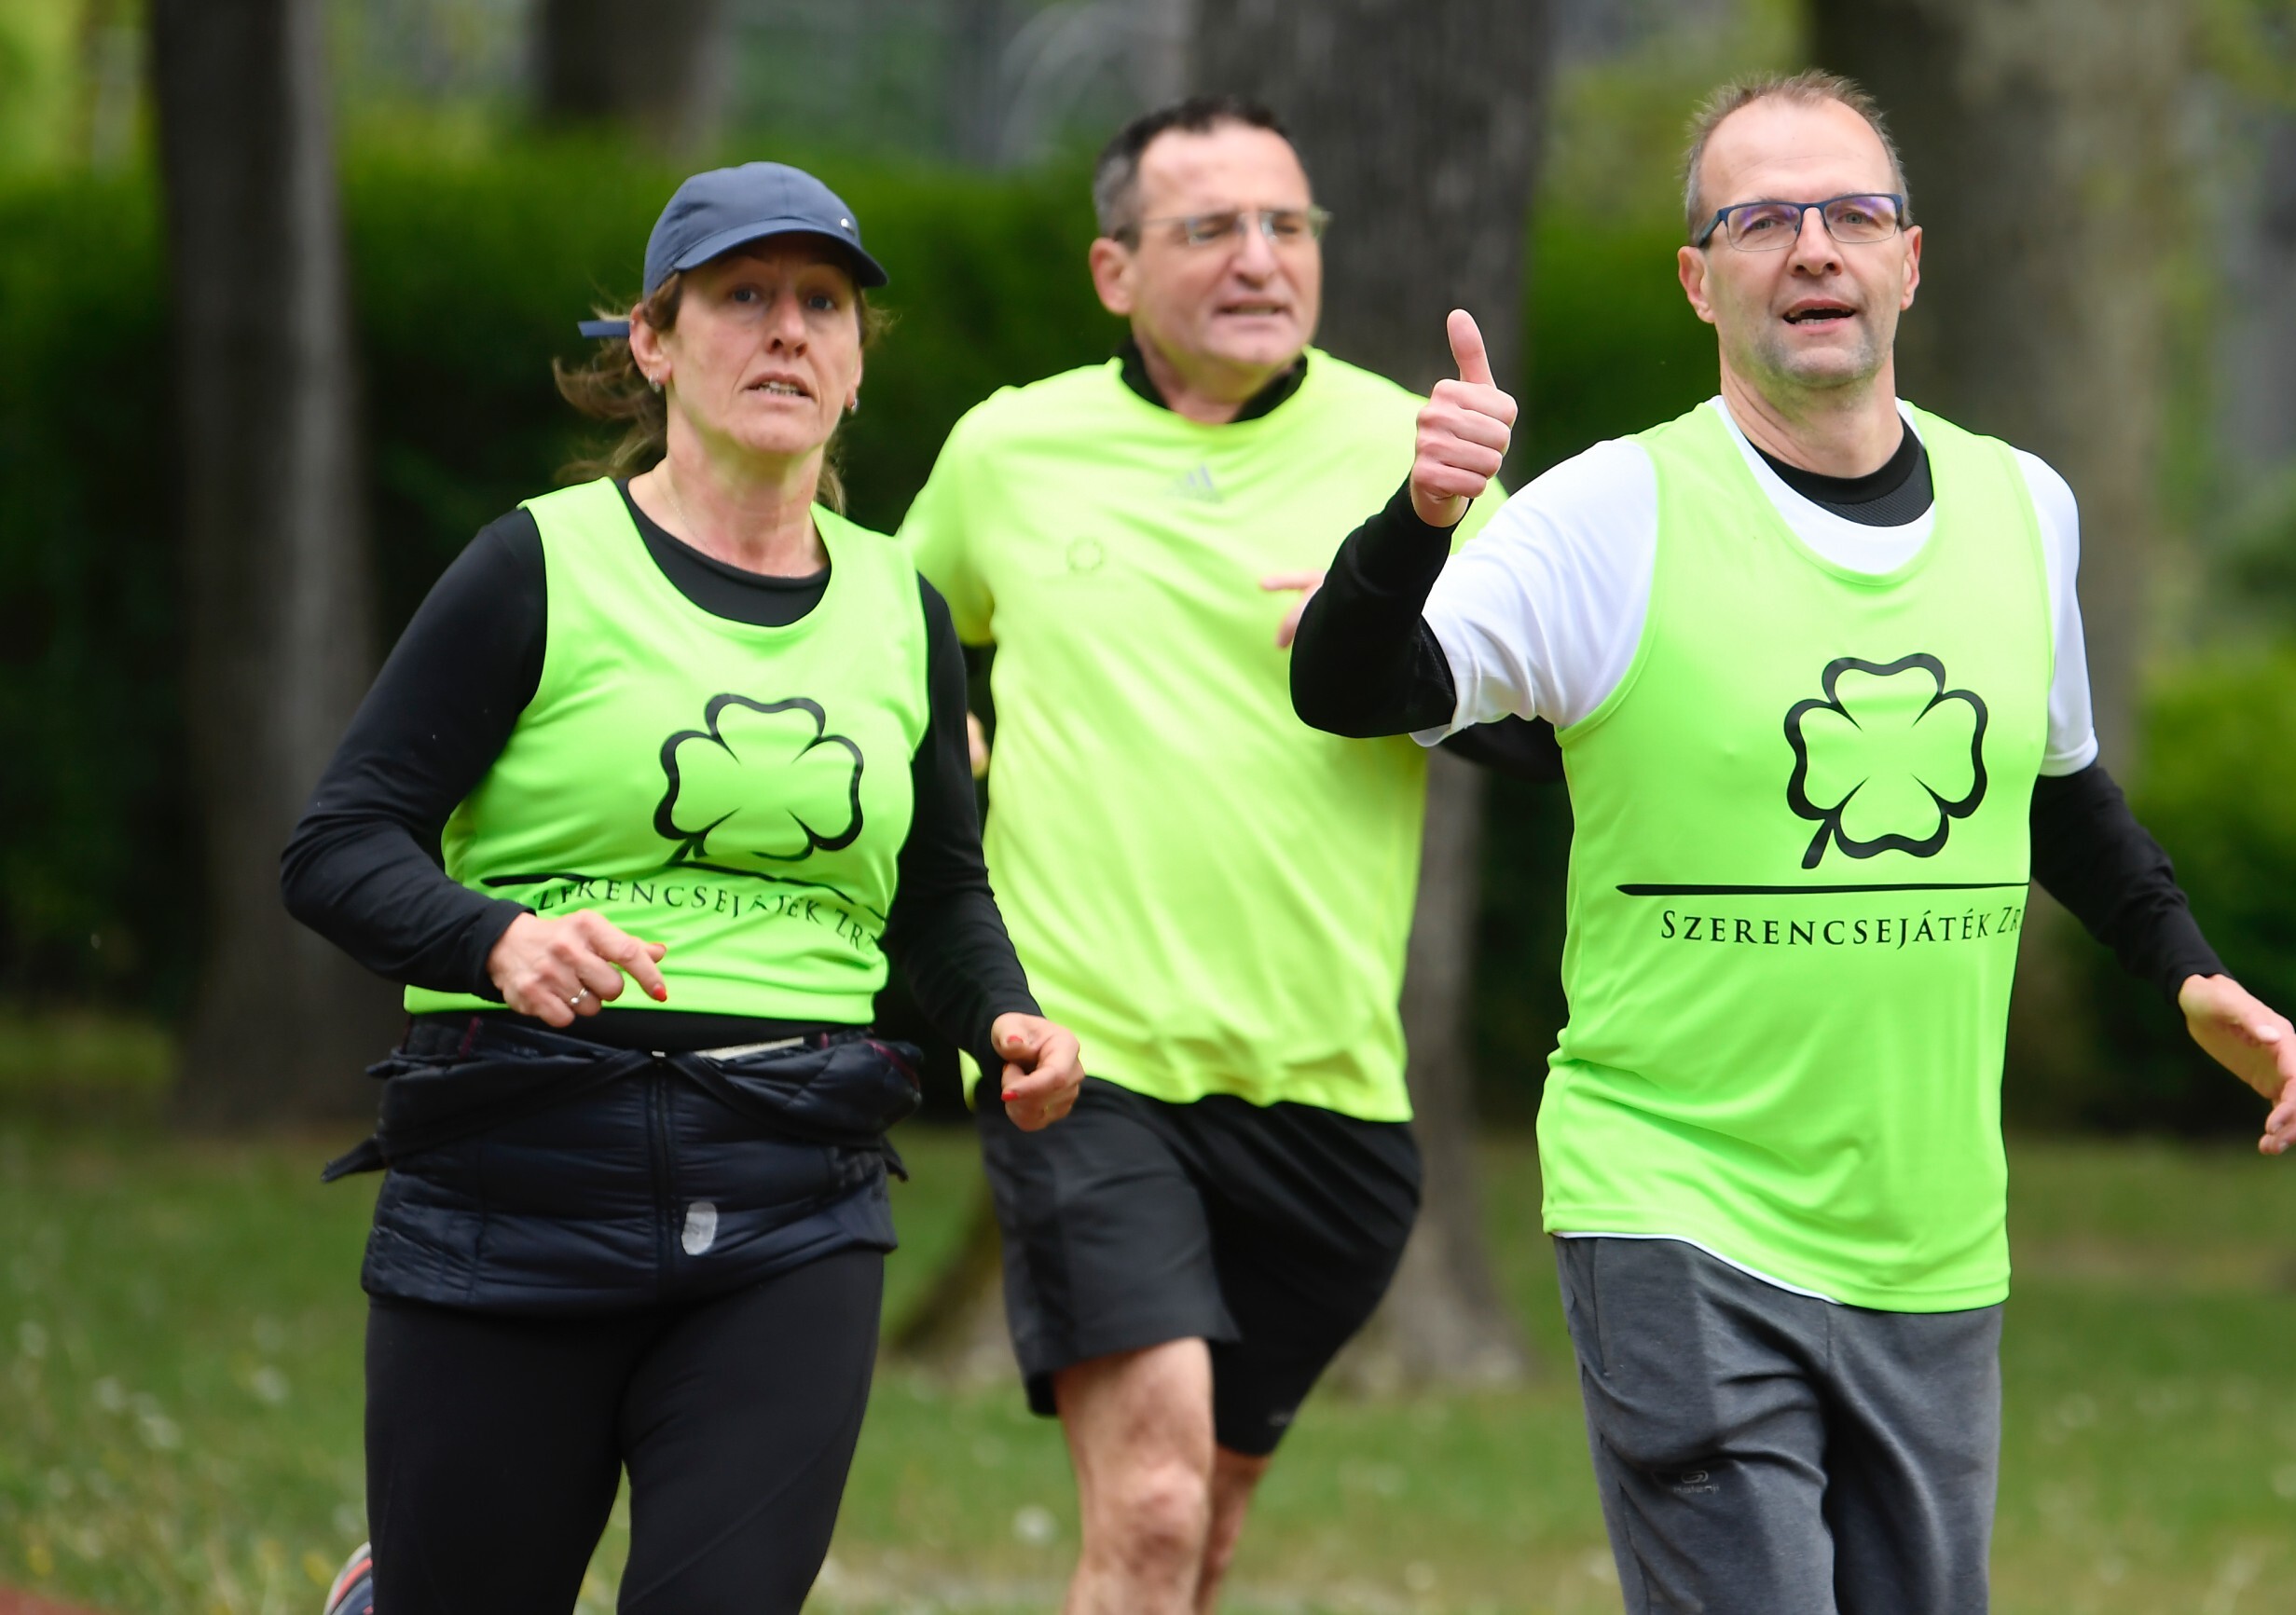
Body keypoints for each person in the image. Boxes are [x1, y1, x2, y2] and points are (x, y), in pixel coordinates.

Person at [1290, 71, 2296, 1615]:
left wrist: (2188, 968)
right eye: (1762, 219)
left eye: (1852, 213)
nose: (1815, 247)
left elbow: (2055, 789)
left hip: (1929, 1232)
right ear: (1698, 279)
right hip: (1675, 1202)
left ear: (1913, 257)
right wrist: (1419, 521)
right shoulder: (1610, 514)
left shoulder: (2024, 508)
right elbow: (1350, 685)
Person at [282, 161, 1083, 1615]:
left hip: (790, 1194)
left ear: (855, 364)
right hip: (518, 1172)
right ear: (651, 343)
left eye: (823, 304)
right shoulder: (536, 565)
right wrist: (496, 938)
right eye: (743, 295)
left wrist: (1005, 1019)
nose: (788, 329)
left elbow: (939, 894)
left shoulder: (900, 609)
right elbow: (338, 845)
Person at [898, 96, 1541, 1615]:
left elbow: (1549, 721)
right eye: (1210, 228)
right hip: (1088, 1063)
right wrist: (948, 749)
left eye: (1286, 224)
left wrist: (1379, 631)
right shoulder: (1010, 448)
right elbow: (884, 651)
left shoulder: (1417, 453)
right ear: (1115, 270)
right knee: (1152, 1503)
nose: (1260, 257)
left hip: (1332, 1090)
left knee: (1207, 1533)